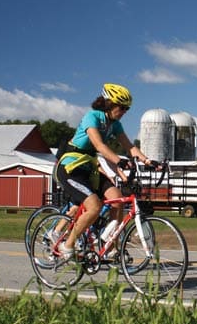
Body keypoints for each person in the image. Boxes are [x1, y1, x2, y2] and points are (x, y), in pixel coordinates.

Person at [54, 83, 152, 260]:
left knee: (117, 199)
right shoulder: (92, 117)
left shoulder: (115, 125)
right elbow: (99, 145)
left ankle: (110, 248)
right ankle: (67, 245)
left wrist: (148, 161)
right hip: (71, 168)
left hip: (89, 169)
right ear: (109, 104)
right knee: (94, 207)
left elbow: (129, 147)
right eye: (121, 107)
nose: (124, 112)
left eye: (127, 109)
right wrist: (119, 161)